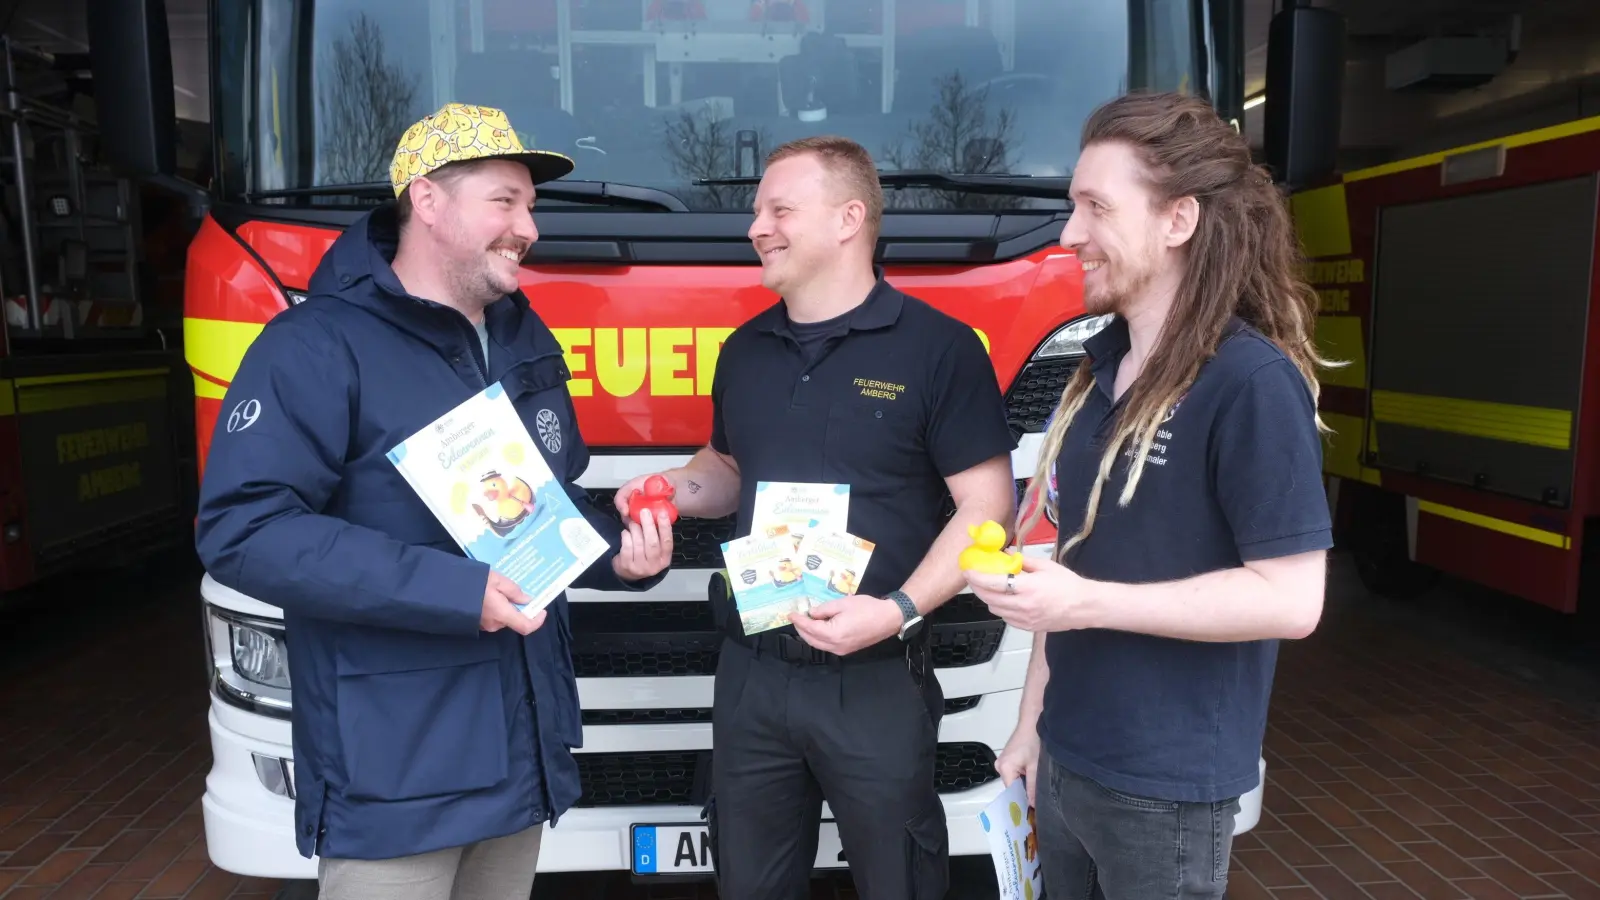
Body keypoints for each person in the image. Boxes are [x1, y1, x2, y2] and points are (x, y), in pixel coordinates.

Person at [193, 102, 674, 900]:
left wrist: (619, 553)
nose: (530, 227)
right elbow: (245, 530)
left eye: (532, 205)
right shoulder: (315, 345)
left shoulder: (520, 337)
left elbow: (535, 509)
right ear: (427, 200)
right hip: (397, 778)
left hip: (518, 763)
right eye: (506, 202)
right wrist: (460, 592)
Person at [614, 135, 1018, 899]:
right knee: (750, 884)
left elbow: (987, 505)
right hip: (753, 674)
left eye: (778, 209)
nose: (755, 227)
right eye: (757, 211)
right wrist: (664, 487)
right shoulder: (745, 352)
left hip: (872, 677)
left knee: (900, 880)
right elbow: (726, 472)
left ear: (848, 218)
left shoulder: (940, 350)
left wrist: (898, 611)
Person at [963, 91, 1336, 899]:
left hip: (1165, 786)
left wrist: (1086, 603)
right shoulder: (1098, 368)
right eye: (1072, 207)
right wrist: (1029, 726)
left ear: (1179, 221)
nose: (1069, 236)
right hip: (1065, 756)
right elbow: (1070, 567)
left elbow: (1293, 600)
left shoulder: (1251, 382)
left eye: (1097, 207)